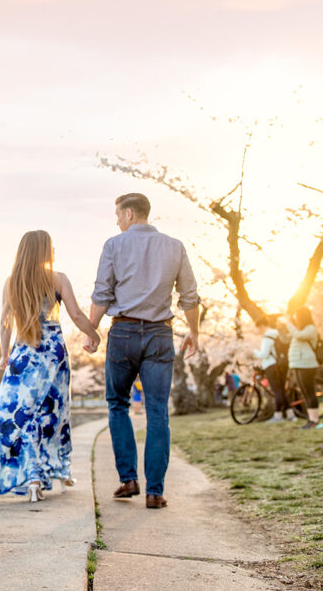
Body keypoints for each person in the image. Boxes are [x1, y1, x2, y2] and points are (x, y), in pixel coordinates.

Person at [89, 193, 199, 509]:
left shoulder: (113, 245)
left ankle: (128, 479)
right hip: (159, 334)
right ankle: (155, 491)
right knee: (157, 410)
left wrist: (92, 330)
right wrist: (194, 332)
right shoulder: (175, 246)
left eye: (118, 215)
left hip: (123, 332)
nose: (116, 221)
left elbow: (102, 292)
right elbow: (189, 296)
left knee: (117, 404)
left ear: (130, 213)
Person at [0, 230, 100, 502]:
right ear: (45, 251)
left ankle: (32, 476)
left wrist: (4, 354)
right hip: (52, 353)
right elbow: (76, 314)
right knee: (53, 413)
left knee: (21, 414)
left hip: (23, 354)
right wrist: (94, 334)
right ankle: (57, 469)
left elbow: (5, 323)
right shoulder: (58, 279)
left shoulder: (11, 282)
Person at [281, 307, 323, 430]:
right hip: (298, 364)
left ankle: (315, 420)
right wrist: (281, 328)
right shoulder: (299, 330)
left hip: (307, 365)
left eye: (297, 316)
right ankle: (311, 420)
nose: (295, 319)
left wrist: (288, 323)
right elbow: (285, 339)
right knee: (305, 393)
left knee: (310, 393)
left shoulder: (310, 329)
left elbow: (298, 336)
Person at [253, 313, 289, 422]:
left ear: (262, 326)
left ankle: (278, 416)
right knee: (282, 391)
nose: (258, 331)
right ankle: (290, 414)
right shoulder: (276, 333)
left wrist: (255, 352)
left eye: (258, 328)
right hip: (282, 364)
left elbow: (264, 354)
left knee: (277, 391)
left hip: (271, 366)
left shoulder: (267, 336)